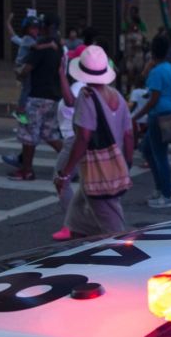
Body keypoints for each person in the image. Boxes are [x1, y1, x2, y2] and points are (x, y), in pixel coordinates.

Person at [54, 45, 134, 237]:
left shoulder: (87, 96)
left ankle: (126, 263)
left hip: (97, 172)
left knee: (115, 232)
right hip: (108, 169)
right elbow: (129, 135)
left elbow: (83, 137)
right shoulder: (117, 97)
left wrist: (65, 173)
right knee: (77, 221)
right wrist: (125, 164)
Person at [7, 22, 65, 181]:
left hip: (35, 97)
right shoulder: (59, 50)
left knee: (28, 135)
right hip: (53, 97)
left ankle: (27, 170)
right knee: (50, 134)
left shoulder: (39, 47)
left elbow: (25, 70)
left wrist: (18, 72)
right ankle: (72, 166)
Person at [132, 35, 171, 208]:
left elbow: (153, 99)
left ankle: (166, 194)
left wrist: (136, 116)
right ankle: (161, 188)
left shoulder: (156, 71)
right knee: (148, 150)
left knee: (159, 155)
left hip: (158, 114)